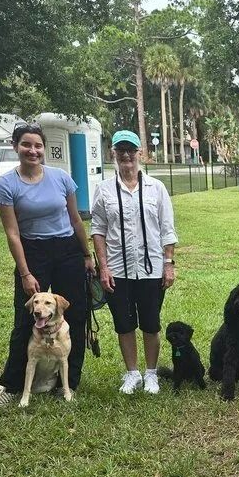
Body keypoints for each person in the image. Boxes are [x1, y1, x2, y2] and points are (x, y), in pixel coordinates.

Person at [0, 122, 93, 406]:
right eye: (26, 145)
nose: (33, 151)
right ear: (16, 147)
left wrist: (86, 254)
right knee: (26, 319)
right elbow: (12, 233)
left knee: (76, 315)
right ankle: (11, 386)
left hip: (67, 249)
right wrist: (25, 272)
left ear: (44, 148)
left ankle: (68, 383)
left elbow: (75, 219)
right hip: (32, 250)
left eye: (37, 146)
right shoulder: (6, 185)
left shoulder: (61, 178)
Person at [91, 130, 177, 395]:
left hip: (151, 268)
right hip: (118, 268)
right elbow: (98, 230)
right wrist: (103, 267)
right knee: (124, 323)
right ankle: (132, 373)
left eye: (131, 150)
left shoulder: (156, 188)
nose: (126, 155)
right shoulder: (104, 189)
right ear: (113, 154)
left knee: (151, 323)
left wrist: (169, 263)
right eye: (121, 150)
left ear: (140, 153)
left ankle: (151, 373)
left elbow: (167, 228)